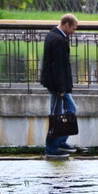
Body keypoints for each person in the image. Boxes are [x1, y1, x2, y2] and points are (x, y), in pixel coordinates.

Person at [40, 14, 79, 159]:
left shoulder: (53, 35)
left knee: (66, 112)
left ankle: (60, 142)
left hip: (56, 84)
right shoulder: (57, 40)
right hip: (57, 86)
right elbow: (57, 67)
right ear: (66, 24)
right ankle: (52, 148)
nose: (74, 31)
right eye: (73, 28)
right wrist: (61, 88)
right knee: (58, 116)